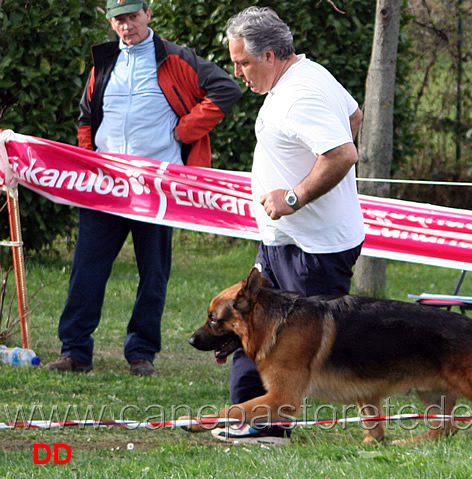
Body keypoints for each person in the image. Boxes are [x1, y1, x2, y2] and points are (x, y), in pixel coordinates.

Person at [46, 0, 242, 376]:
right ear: (111, 22)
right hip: (104, 188)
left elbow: (226, 89)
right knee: (86, 271)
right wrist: (89, 164)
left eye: (133, 16)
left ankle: (142, 353)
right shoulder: (103, 61)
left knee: (153, 275)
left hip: (156, 189)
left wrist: (186, 130)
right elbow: (86, 117)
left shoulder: (176, 57)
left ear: (148, 14)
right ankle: (75, 352)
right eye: (119, 19)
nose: (126, 26)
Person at [219, 6, 365, 442]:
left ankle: (271, 425)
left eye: (243, 63)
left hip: (311, 248)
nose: (239, 73)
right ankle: (248, 416)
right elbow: (353, 118)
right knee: (251, 318)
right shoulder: (307, 75)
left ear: (269, 55)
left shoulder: (302, 93)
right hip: (283, 240)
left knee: (304, 343)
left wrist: (294, 196)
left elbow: (342, 152)